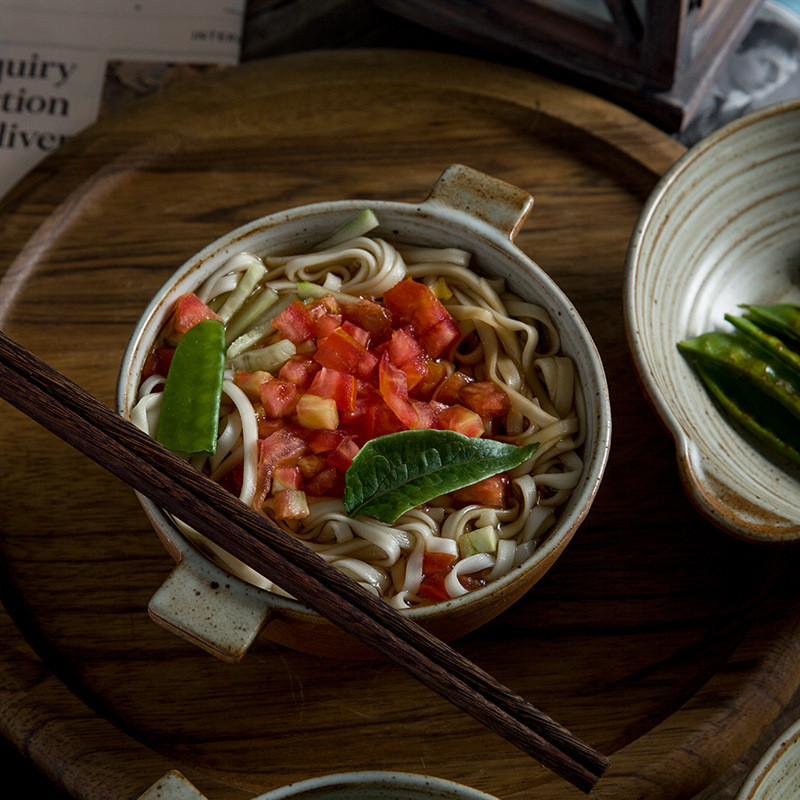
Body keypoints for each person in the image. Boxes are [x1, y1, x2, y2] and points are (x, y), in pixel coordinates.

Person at [679, 18, 799, 145]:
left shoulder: (755, 131)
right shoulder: (682, 77)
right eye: (768, 64)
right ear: (738, 47)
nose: (775, 79)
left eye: (787, 74)